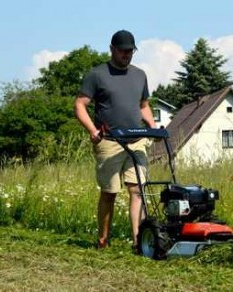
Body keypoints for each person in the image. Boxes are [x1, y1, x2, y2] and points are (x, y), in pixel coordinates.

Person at [75, 30, 156, 250]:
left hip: (136, 140)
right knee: (109, 192)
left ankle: (140, 243)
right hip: (109, 141)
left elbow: (144, 105)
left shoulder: (140, 75)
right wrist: (92, 131)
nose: (127, 55)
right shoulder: (97, 74)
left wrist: (152, 125)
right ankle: (103, 240)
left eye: (130, 51)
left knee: (137, 190)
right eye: (123, 51)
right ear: (112, 49)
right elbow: (80, 105)